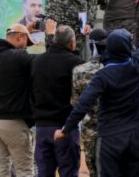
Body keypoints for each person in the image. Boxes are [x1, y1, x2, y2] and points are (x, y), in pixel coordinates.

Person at [56, 2, 139, 177]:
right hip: (133, 137)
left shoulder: (102, 76)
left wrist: (66, 129)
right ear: (128, 48)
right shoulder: (137, 65)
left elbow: (83, 103)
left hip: (109, 139)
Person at [0, 23, 36, 177]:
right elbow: (46, 62)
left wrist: (23, 29)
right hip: (13, 123)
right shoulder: (19, 57)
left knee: (0, 168)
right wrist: (51, 36)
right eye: (26, 43)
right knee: (24, 170)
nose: (25, 48)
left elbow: (4, 44)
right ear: (20, 37)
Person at [31, 21, 85, 177]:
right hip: (65, 127)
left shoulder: (36, 62)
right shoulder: (76, 64)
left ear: (54, 40)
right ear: (72, 43)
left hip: (41, 127)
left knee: (44, 172)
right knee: (68, 171)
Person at [71, 28, 107, 177]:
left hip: (90, 127)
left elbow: (75, 102)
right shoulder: (114, 68)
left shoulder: (80, 71)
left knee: (93, 170)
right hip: (112, 128)